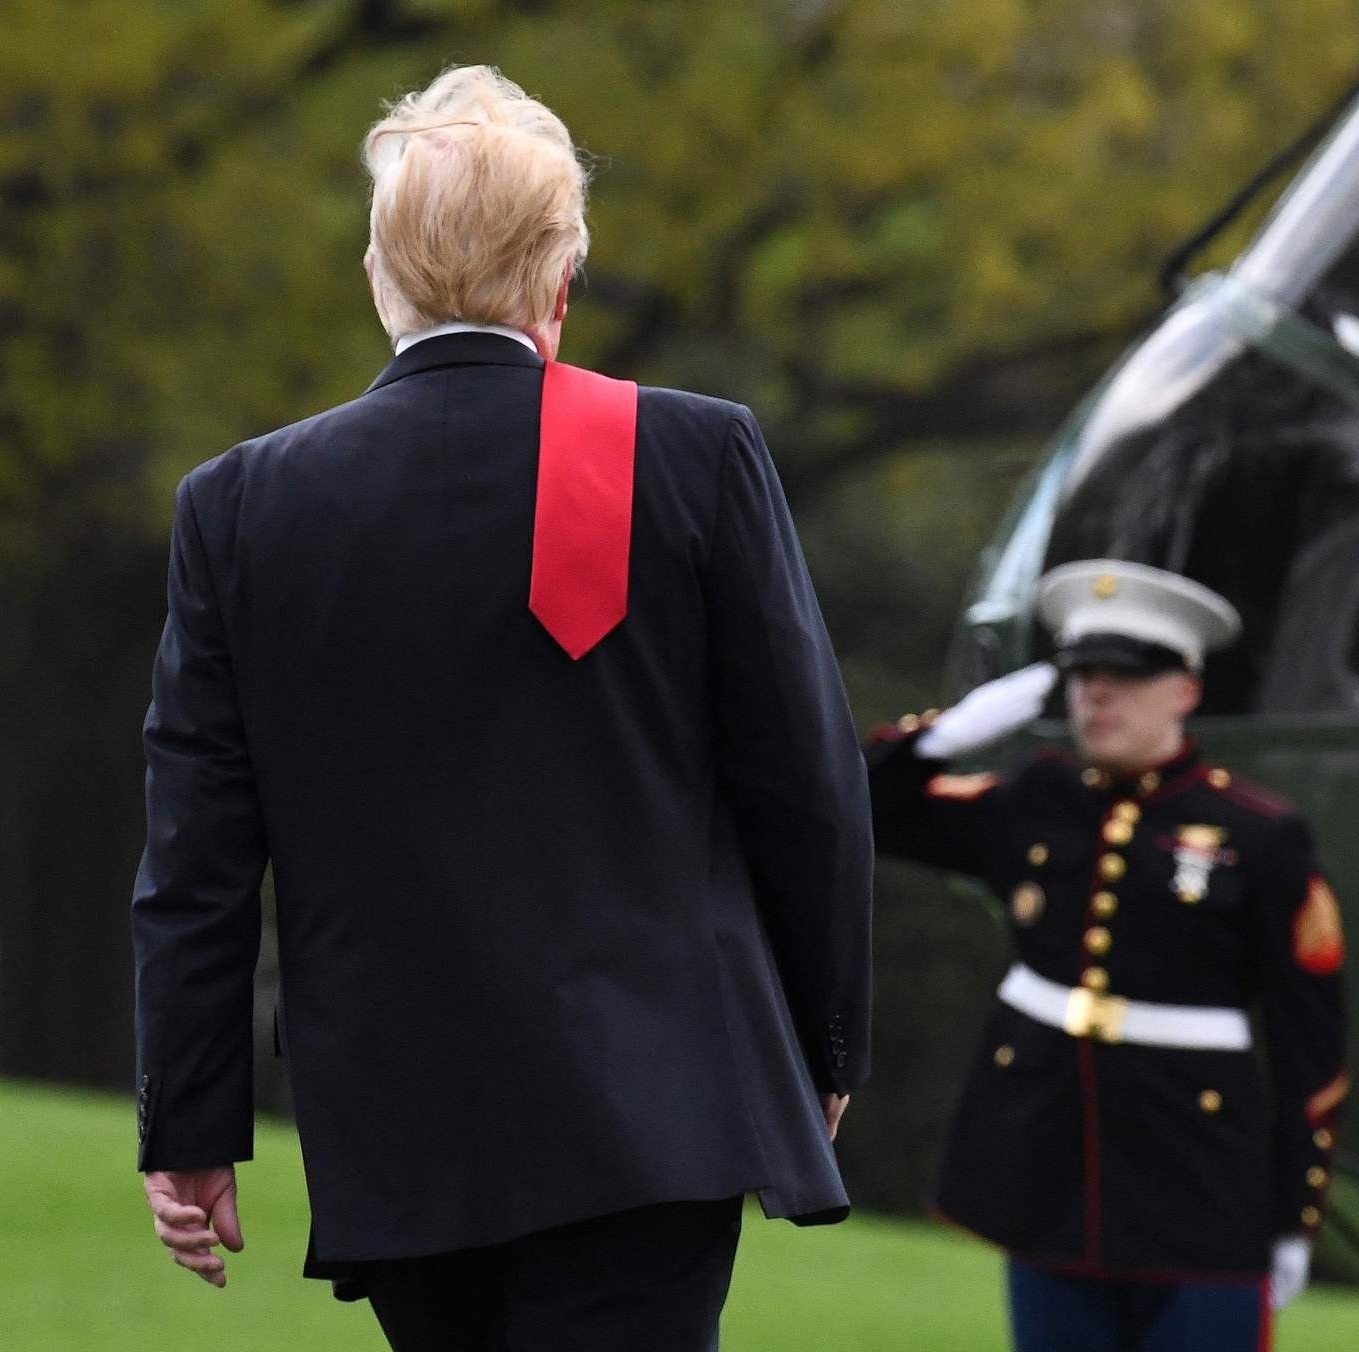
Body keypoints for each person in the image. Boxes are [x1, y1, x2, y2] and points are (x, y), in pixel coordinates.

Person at [129, 65, 873, 1351]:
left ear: (380, 274)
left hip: (400, 1127)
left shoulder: (242, 506)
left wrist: (193, 1124)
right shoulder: (692, 457)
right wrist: (820, 1041)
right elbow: (805, 783)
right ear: (561, 281)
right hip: (661, 1106)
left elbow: (197, 854)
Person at [868, 560, 1347, 1352]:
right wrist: (942, 736)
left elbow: (1310, 1044)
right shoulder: (1037, 801)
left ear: (1184, 691)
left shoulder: (1259, 836)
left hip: (1200, 1185)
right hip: (1050, 1173)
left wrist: (1296, 1215)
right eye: (1085, 674)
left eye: (1124, 675)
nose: (1097, 694)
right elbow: (859, 814)